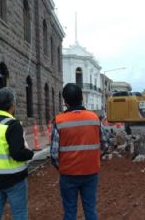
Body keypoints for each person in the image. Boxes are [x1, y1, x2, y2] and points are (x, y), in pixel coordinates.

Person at [50, 83, 108, 220]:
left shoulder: (59, 121)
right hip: (91, 172)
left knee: (70, 212)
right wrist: (95, 158)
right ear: (82, 98)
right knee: (90, 209)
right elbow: (106, 143)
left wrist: (63, 168)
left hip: (68, 174)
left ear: (65, 101)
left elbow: (53, 154)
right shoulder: (94, 118)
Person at [0, 87, 34, 220]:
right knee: (20, 214)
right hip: (12, 179)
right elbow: (17, 153)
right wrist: (29, 153)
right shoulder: (13, 125)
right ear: (12, 105)